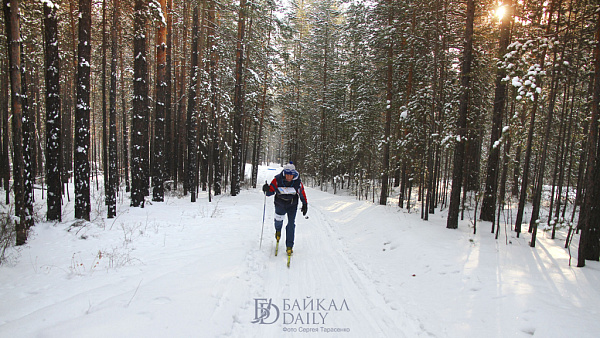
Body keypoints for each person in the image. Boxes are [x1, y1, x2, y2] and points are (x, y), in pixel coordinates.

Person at [262, 162, 308, 255]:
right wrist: (266, 189)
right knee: (278, 221)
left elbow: (302, 193)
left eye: (291, 175)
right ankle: (278, 231)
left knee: (291, 224)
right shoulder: (277, 180)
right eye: (287, 174)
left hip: (292, 204)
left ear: (294, 174)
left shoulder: (297, 182)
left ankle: (289, 246)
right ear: (284, 173)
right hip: (280, 203)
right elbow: (269, 193)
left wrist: (305, 204)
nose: (289, 177)